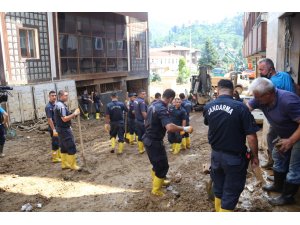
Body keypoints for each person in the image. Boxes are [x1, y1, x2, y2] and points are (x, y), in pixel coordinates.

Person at [203, 79, 260, 212]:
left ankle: (219, 211)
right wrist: (255, 156)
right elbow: (251, 136)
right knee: (231, 191)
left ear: (217, 90)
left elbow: (208, 123)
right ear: (233, 91)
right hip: (234, 158)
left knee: (219, 187)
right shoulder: (241, 107)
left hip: (216, 155)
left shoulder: (208, 106)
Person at [248, 77, 300, 206]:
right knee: (279, 157)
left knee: (295, 167)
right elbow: (245, 108)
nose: (256, 100)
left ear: (269, 94)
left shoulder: (288, 101)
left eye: (258, 97)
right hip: (284, 133)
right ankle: (278, 186)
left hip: (297, 135)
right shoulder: (260, 98)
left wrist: (291, 140)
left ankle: (288, 197)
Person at [143, 89, 193, 196]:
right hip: (154, 141)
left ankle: (158, 180)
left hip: (148, 138)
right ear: (170, 99)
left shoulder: (153, 104)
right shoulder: (161, 108)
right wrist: (184, 129)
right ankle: (156, 190)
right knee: (163, 166)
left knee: (156, 164)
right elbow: (169, 127)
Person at [257, 58, 296, 169]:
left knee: (274, 139)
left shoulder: (273, 82)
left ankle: (278, 164)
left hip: (285, 116)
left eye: (262, 69)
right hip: (287, 115)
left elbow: (285, 96)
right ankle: (275, 162)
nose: (260, 72)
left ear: (270, 68)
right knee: (272, 137)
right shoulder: (283, 76)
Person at [54, 90, 81, 171]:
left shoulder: (60, 104)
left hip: (60, 129)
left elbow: (68, 114)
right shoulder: (61, 106)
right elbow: (65, 119)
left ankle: (64, 164)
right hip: (64, 129)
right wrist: (75, 114)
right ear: (61, 96)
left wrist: (74, 114)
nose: (67, 97)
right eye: (66, 95)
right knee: (71, 145)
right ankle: (73, 165)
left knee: (63, 147)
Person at [45, 90, 61, 163]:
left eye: (55, 95)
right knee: (55, 143)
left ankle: (59, 155)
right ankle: (55, 158)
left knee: (59, 142)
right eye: (52, 96)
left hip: (58, 126)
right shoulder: (48, 107)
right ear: (49, 97)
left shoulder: (56, 104)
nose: (54, 97)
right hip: (53, 128)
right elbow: (49, 119)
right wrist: (53, 129)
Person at [134, 89, 148, 154]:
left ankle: (140, 149)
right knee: (146, 134)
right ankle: (147, 148)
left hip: (136, 120)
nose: (144, 95)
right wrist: (147, 120)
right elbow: (143, 112)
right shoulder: (142, 102)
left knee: (139, 135)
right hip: (142, 121)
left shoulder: (135, 100)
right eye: (143, 94)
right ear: (139, 94)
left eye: (145, 94)